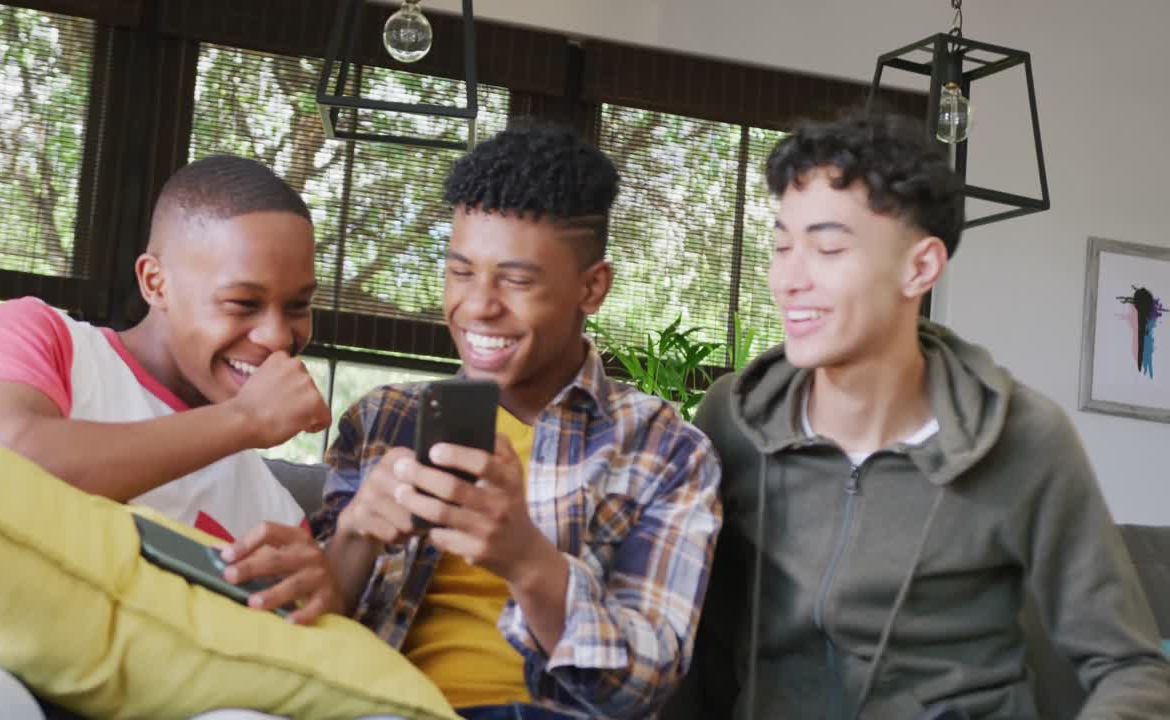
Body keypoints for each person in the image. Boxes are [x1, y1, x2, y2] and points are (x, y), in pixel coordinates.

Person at [665, 111, 1170, 718]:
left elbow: (1131, 668)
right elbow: (695, 642)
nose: (787, 279)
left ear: (921, 268)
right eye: (780, 245)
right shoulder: (733, 419)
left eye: (827, 248)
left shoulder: (1026, 438)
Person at [0, 155, 341, 719]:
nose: (278, 336)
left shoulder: (273, 510)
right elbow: (2, 463)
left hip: (161, 701)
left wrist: (326, 587)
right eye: (242, 304)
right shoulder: (47, 339)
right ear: (156, 283)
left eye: (298, 306)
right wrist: (244, 420)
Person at [304, 124, 723, 719]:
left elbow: (643, 684)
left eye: (517, 280)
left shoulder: (666, 451)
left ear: (592, 287)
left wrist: (527, 559)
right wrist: (354, 536)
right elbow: (304, 632)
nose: (478, 305)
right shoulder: (381, 420)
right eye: (461, 272)